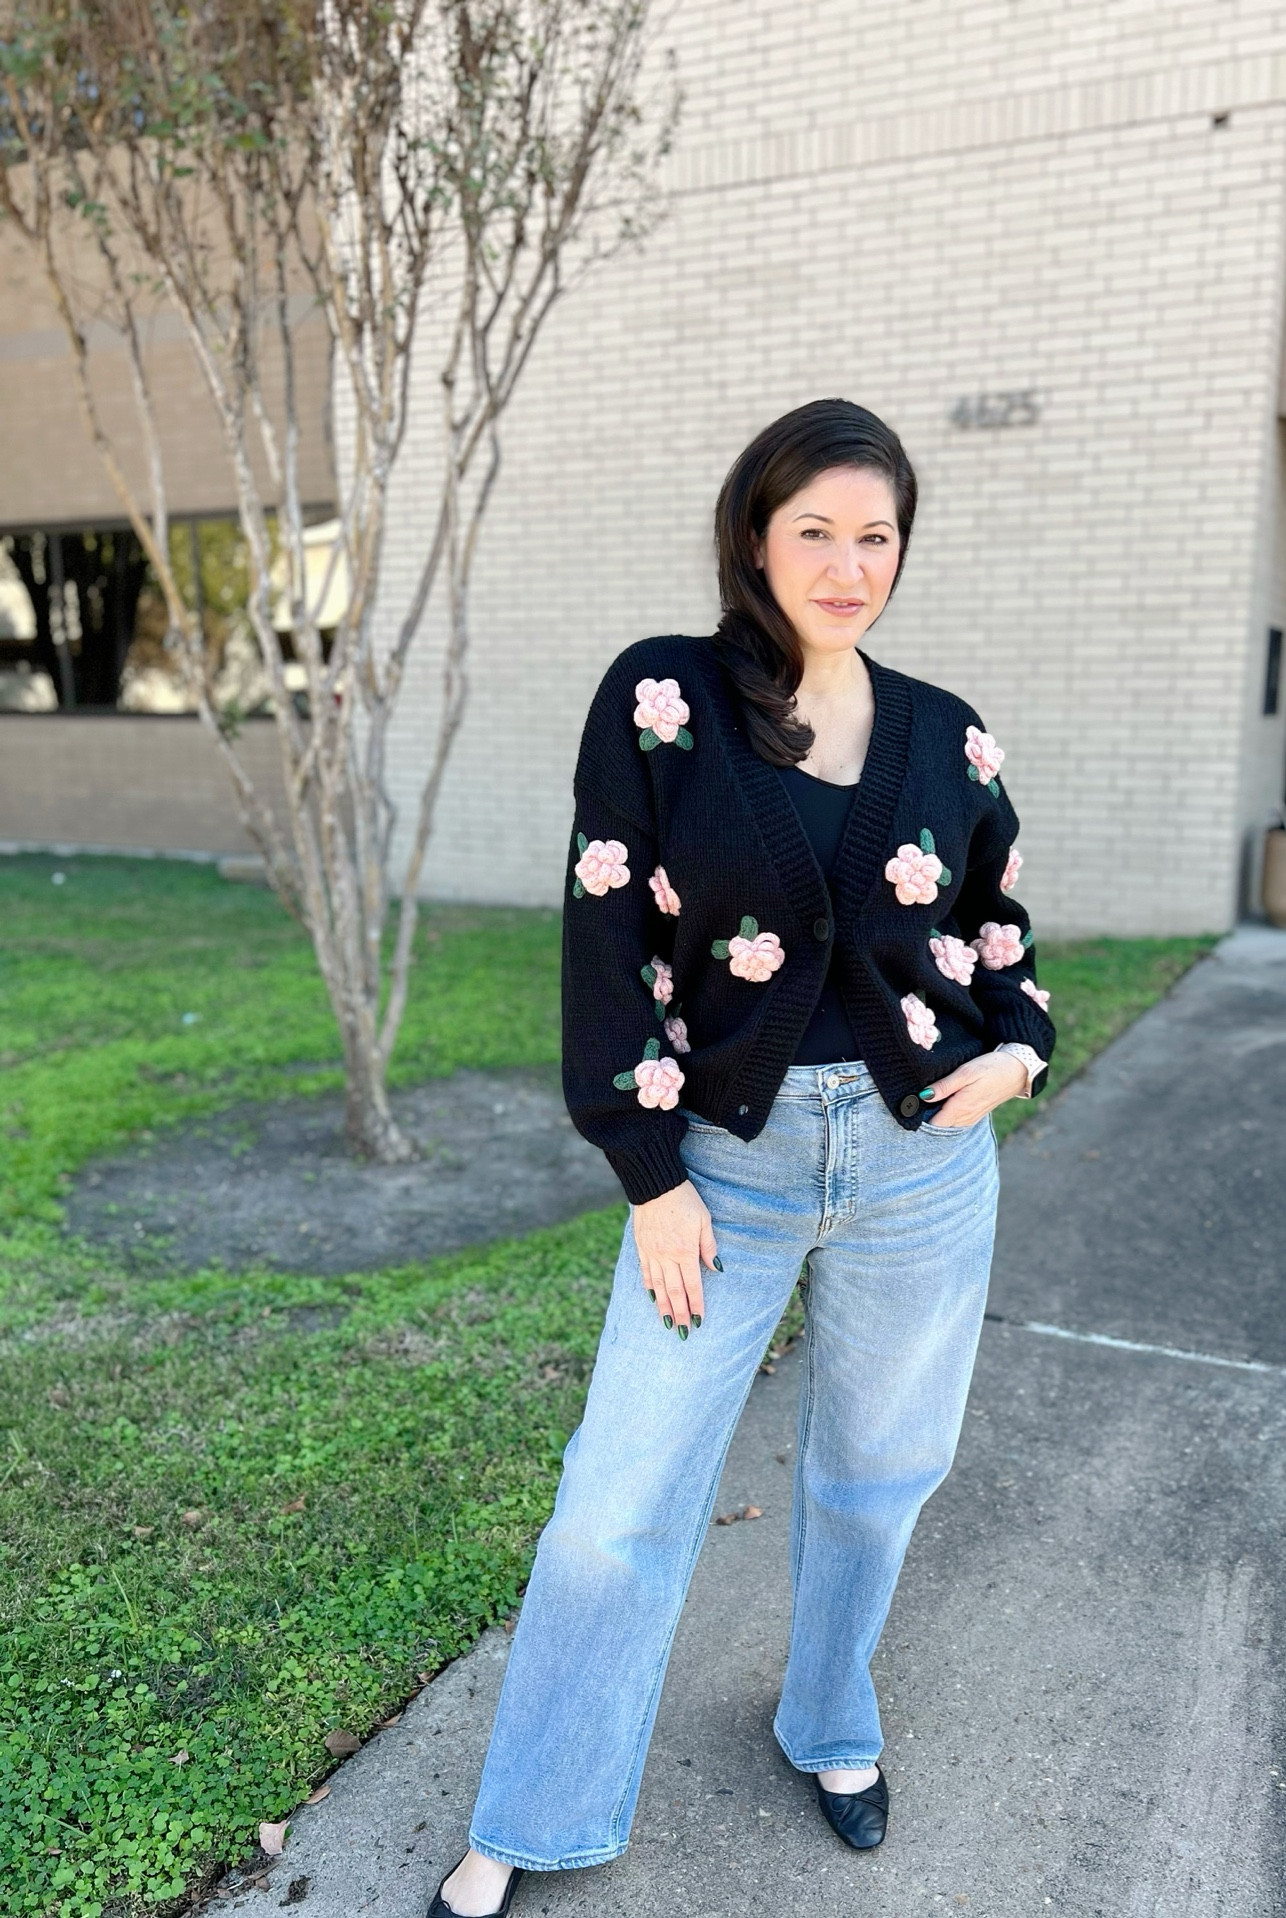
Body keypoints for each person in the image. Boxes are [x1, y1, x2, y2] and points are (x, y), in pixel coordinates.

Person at [430, 398, 1055, 1917]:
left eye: (877, 536)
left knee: (878, 1473)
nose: (849, 567)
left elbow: (996, 916)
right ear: (755, 537)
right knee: (618, 1498)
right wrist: (649, 1172)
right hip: (728, 1167)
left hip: (919, 1164)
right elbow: (607, 932)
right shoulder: (663, 699)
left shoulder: (942, 727)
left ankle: (830, 1721)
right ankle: (534, 1809)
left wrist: (1024, 1039)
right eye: (816, 533)